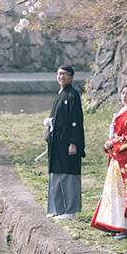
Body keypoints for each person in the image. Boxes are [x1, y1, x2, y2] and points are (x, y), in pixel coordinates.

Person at [91, 83, 127, 238]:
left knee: (124, 190)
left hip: (125, 158)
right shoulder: (122, 113)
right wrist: (111, 142)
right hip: (117, 157)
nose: (124, 96)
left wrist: (112, 143)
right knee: (113, 190)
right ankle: (115, 224)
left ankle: (126, 227)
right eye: (122, 93)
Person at [45, 65, 85, 219]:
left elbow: (76, 121)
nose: (61, 77)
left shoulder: (72, 95)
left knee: (68, 174)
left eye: (65, 74)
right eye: (59, 74)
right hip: (57, 141)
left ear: (71, 77)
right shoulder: (60, 94)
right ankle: (56, 209)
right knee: (56, 173)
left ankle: (69, 211)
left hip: (68, 142)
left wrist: (74, 142)